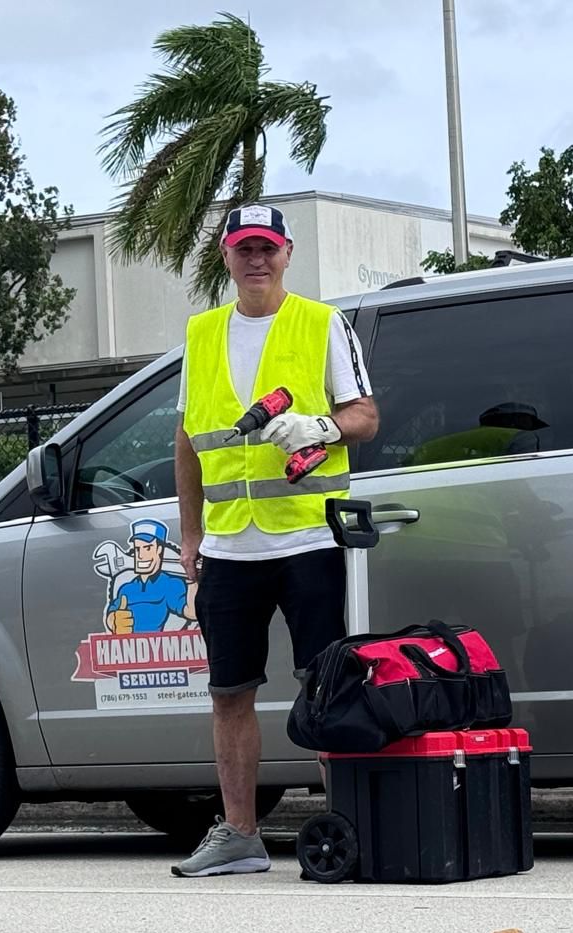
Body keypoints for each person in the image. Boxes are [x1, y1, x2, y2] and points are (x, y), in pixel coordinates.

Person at [171, 203, 379, 877]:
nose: (256, 259)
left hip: (306, 540)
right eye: (243, 249)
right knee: (229, 691)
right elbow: (187, 441)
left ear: (287, 252)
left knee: (326, 685)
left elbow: (366, 416)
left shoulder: (322, 323)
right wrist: (192, 535)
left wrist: (319, 427)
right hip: (231, 547)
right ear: (227, 258)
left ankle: (351, 828)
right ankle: (239, 834)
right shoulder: (201, 334)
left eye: (267, 247)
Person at [104, 519, 197, 634]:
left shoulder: (170, 584)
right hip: (128, 649)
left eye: (147, 548)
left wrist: (192, 582)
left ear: (159, 549)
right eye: (137, 549)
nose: (141, 556)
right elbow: (111, 613)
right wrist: (114, 621)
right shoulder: (126, 589)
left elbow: (192, 613)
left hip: (157, 647)